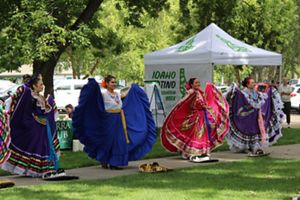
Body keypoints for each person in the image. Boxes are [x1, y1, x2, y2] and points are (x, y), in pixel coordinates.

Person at [72, 75, 156, 169]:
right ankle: (104, 159)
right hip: (108, 119)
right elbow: (98, 102)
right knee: (108, 140)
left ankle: (114, 163)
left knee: (119, 140)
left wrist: (133, 89)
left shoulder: (117, 94)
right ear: (107, 84)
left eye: (115, 82)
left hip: (119, 119)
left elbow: (121, 103)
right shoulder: (104, 94)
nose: (114, 84)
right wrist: (93, 86)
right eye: (112, 82)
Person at [0, 74, 63, 177]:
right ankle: (33, 170)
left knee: (43, 148)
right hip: (34, 127)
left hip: (43, 126)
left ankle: (43, 170)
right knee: (35, 148)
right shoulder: (30, 95)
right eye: (40, 84)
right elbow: (24, 109)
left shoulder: (40, 96)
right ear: (34, 86)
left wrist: (50, 103)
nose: (42, 86)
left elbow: (46, 110)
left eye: (42, 84)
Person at [161, 78, 230, 162]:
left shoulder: (200, 92)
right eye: (196, 83)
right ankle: (191, 153)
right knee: (194, 136)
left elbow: (203, 101)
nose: (198, 84)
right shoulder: (190, 92)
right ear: (192, 85)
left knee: (203, 136)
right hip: (194, 118)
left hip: (202, 117)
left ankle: (203, 152)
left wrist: (206, 105)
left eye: (199, 82)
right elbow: (186, 103)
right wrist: (199, 105)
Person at [226, 77, 285, 156]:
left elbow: (260, 101)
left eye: (254, 82)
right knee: (247, 130)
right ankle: (246, 147)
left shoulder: (255, 92)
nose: (254, 84)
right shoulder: (244, 93)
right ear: (247, 84)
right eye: (252, 83)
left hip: (255, 117)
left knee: (256, 130)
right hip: (247, 117)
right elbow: (242, 103)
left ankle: (255, 146)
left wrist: (269, 91)